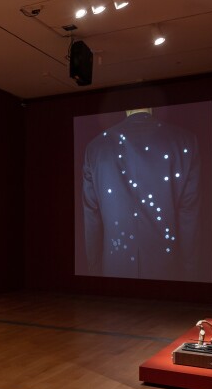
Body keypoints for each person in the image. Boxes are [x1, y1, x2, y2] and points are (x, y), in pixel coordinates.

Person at [82, 108, 201, 281]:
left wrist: (93, 269)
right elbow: (189, 217)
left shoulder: (95, 147)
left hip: (114, 267)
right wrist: (190, 274)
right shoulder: (185, 141)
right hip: (166, 268)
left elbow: (91, 217)